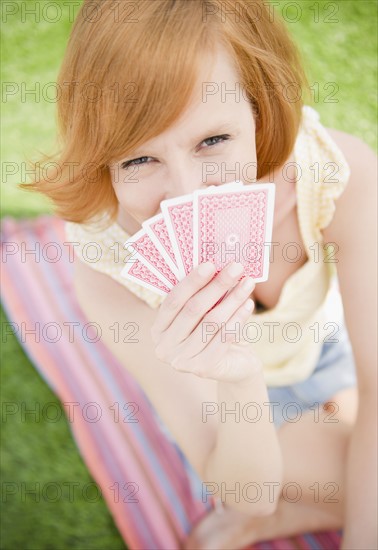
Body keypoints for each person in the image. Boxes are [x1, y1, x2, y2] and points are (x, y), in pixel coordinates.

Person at [22, 1, 377, 548]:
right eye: (138, 160)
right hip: (233, 407)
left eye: (213, 140)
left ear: (262, 109)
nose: (188, 194)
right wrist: (237, 375)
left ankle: (302, 510)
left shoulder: (335, 178)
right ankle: (298, 505)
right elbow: (244, 488)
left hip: (331, 350)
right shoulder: (109, 264)